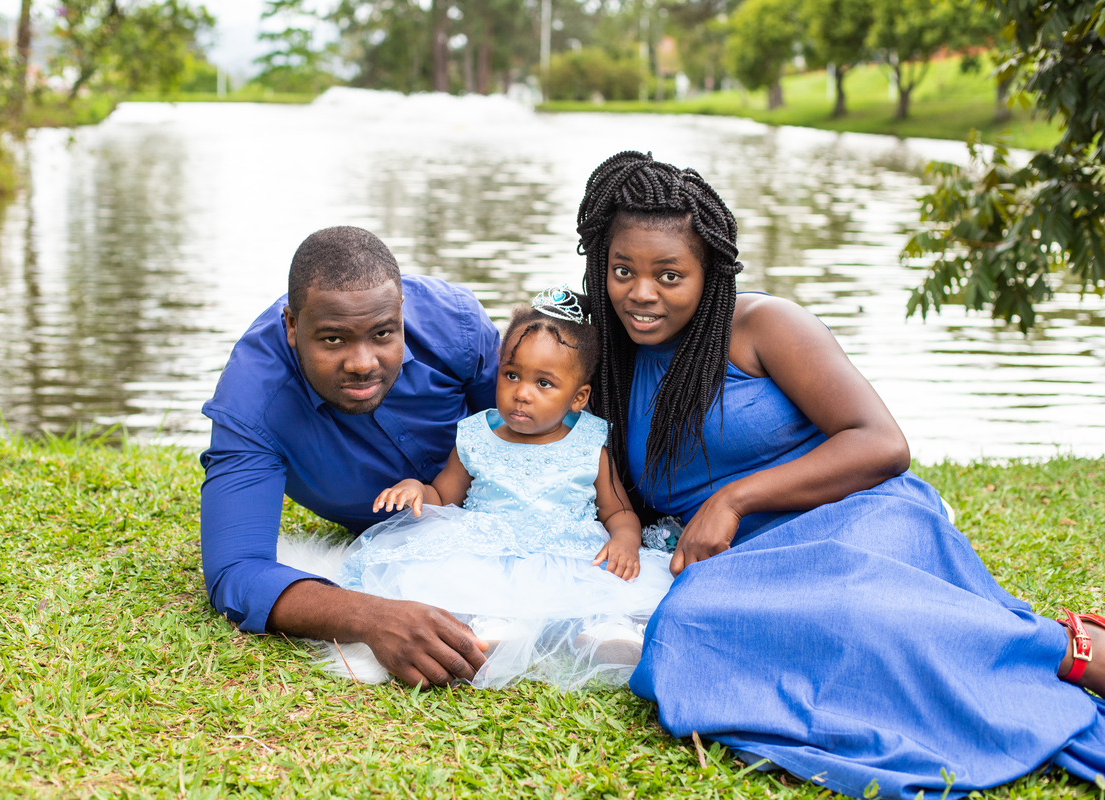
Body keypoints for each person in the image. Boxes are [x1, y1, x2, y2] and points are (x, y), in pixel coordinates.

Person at [574, 151, 1105, 798]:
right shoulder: (606, 358)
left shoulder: (763, 327)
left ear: (708, 272)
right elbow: (550, 426)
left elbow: (882, 443)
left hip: (854, 513)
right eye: (622, 270)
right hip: (749, 560)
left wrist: (734, 499)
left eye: (669, 275)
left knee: (857, 608)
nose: (641, 293)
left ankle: (1068, 649)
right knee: (690, 625)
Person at [199, 226, 501, 689]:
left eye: (383, 333)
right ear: (292, 326)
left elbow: (528, 426)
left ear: (401, 313)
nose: (363, 363)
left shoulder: (455, 324)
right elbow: (236, 571)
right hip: (386, 541)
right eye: (333, 340)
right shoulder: (251, 399)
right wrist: (373, 618)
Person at [335, 288, 675, 689]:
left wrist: (625, 540)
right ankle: (492, 623)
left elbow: (617, 509)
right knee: (463, 583)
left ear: (578, 397)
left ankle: (608, 627)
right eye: (511, 375)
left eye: (544, 383)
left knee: (611, 587)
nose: (522, 393)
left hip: (569, 554)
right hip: (488, 551)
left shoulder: (588, 442)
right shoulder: (477, 435)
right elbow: (443, 496)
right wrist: (416, 490)